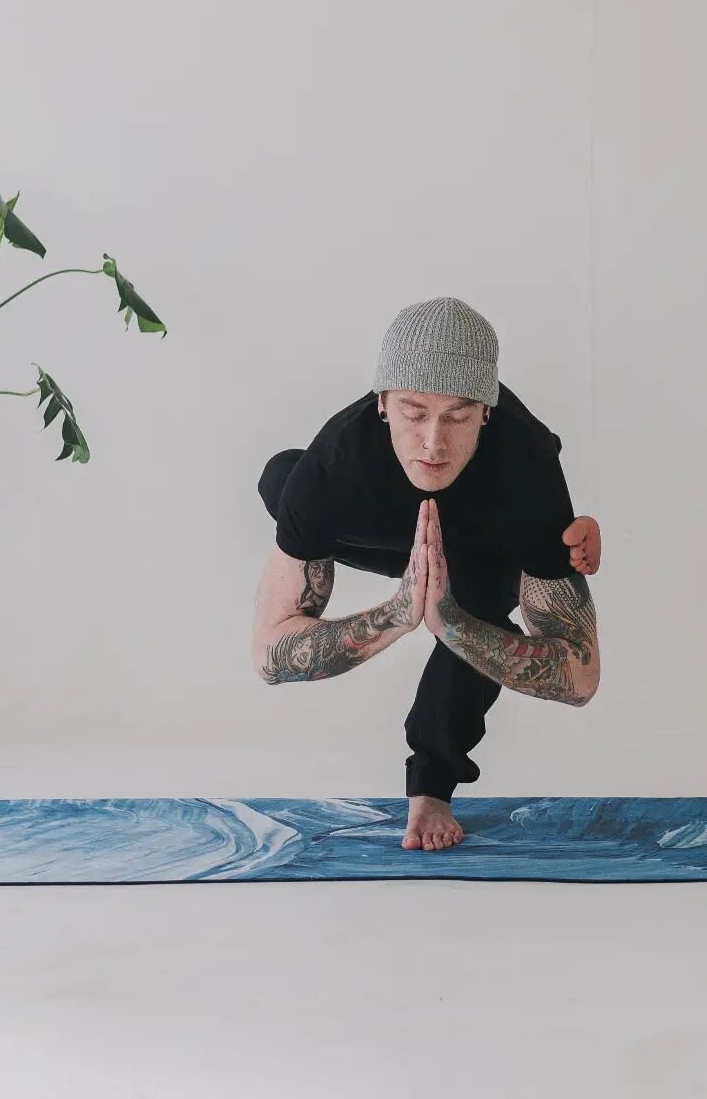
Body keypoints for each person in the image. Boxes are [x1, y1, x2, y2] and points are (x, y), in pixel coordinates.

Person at [253, 295, 602, 852]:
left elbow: (582, 679)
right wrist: (396, 616)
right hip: (383, 534)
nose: (434, 442)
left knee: (480, 601)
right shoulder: (333, 465)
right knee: (282, 478)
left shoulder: (525, 467)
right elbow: (270, 657)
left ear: (486, 411)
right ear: (383, 404)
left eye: (458, 417)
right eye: (415, 414)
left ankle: (431, 788)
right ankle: (438, 595)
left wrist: (450, 623)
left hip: (485, 550)